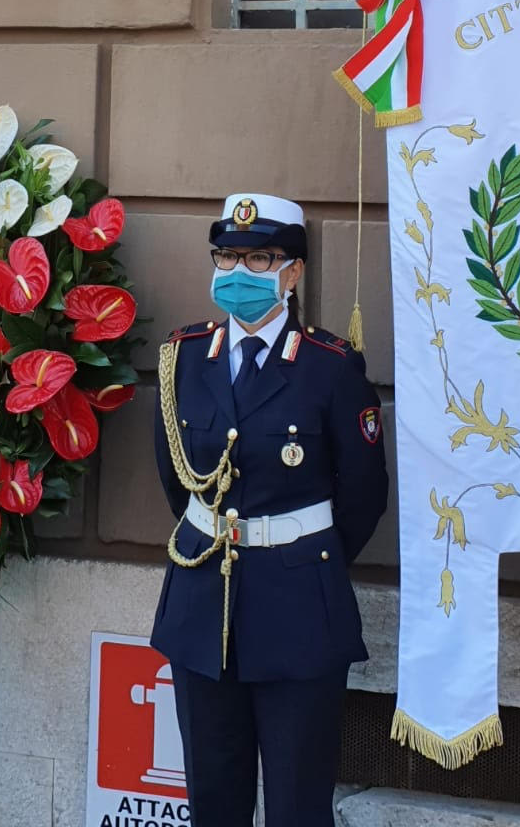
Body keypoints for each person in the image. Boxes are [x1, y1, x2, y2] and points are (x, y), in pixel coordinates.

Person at [151, 192, 389, 827]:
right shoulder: (183, 358)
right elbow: (180, 483)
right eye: (227, 257)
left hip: (299, 612)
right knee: (214, 801)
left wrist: (293, 555)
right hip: (204, 607)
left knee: (297, 806)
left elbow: (364, 496)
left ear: (294, 273)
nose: (238, 274)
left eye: (260, 259)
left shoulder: (331, 369)